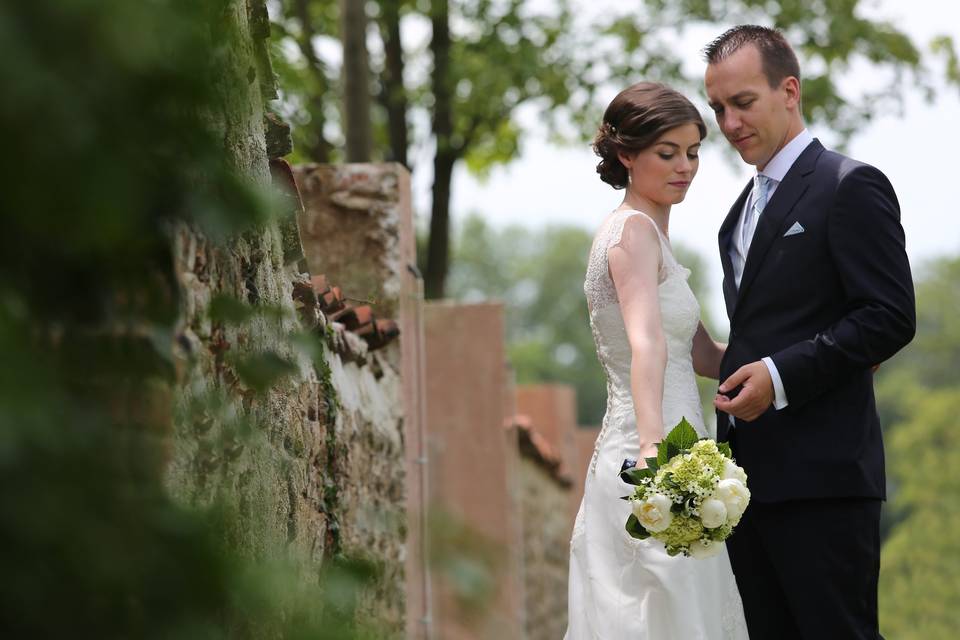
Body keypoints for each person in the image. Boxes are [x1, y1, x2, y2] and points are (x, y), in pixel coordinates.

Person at [704, 25, 916, 639]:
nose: (729, 123)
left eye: (743, 103)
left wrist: (779, 376)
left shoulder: (851, 186)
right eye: (719, 108)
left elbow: (889, 317)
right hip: (742, 487)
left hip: (825, 480)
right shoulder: (733, 216)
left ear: (789, 90)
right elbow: (762, 330)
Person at [566, 82, 749, 639]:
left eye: (693, 152)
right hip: (649, 453)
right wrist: (653, 453)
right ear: (626, 155)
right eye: (667, 153)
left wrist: (815, 359)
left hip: (680, 443)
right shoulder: (633, 232)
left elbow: (703, 355)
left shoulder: (655, 236)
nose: (685, 167)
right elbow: (647, 343)